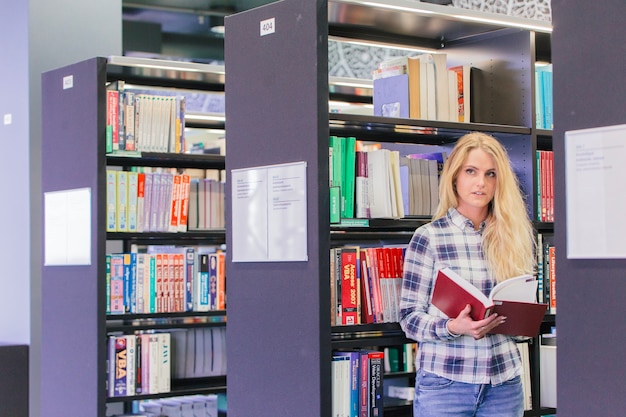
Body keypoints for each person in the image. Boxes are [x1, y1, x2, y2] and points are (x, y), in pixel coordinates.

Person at [399, 132, 536, 417]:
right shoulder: (429, 238)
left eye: (491, 174)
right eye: (471, 171)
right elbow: (410, 319)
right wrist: (453, 327)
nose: (481, 183)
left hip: (503, 383)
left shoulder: (515, 237)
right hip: (445, 384)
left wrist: (521, 323)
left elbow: (523, 322)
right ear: (454, 177)